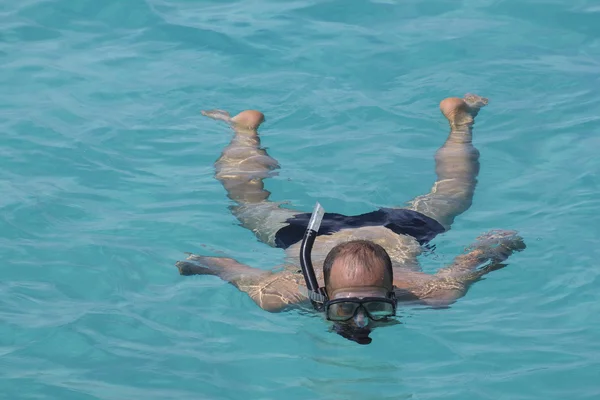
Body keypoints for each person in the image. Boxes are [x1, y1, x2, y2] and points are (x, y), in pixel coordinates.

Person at [175, 94, 526, 344]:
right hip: (394, 230)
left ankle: (244, 132)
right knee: (453, 191)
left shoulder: (430, 293)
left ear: (392, 293)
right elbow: (224, 266)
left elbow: (226, 264)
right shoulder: (281, 294)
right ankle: (243, 131)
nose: (361, 321)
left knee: (245, 195)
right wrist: (499, 245)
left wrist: (197, 263)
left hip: (325, 234)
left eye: (374, 306)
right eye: (343, 308)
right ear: (323, 293)